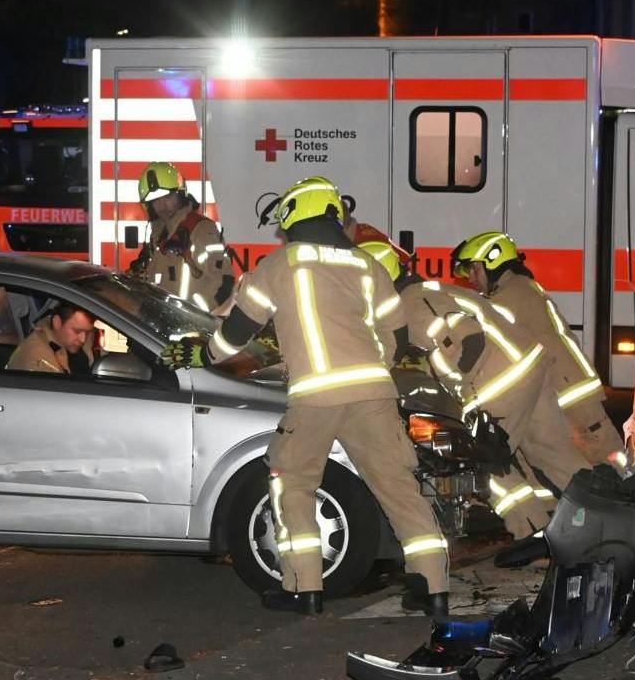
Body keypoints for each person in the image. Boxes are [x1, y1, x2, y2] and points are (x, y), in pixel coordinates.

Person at [168, 177, 448, 616]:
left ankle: (305, 588)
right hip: (373, 394)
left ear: (294, 216)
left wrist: (205, 354)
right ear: (332, 215)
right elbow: (396, 334)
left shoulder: (278, 267)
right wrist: (375, 367)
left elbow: (237, 332)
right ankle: (433, 587)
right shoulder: (368, 267)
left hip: (314, 399)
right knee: (398, 488)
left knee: (292, 482)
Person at [452, 230, 635, 538]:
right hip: (561, 390)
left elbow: (484, 330)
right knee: (549, 459)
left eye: (473, 268)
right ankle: (564, 524)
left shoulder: (511, 296)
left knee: (615, 457)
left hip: (568, 392)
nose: (471, 277)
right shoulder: (520, 289)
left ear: (493, 262)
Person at [359, 240, 578, 543]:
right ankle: (603, 513)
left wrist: (463, 390)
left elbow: (470, 339)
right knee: (553, 451)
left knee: (482, 463)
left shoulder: (411, 303)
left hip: (500, 382)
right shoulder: (432, 290)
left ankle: (532, 534)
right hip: (529, 367)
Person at [130, 162, 234, 312]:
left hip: (188, 326)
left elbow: (223, 283)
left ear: (180, 194)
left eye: (167, 197)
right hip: (160, 321)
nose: (162, 205)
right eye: (155, 201)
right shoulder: (157, 235)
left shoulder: (202, 229)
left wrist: (190, 314)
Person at [6, 301, 96, 375]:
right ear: (57, 323)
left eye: (88, 332)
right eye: (77, 331)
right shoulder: (39, 360)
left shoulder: (66, 342)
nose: (83, 339)